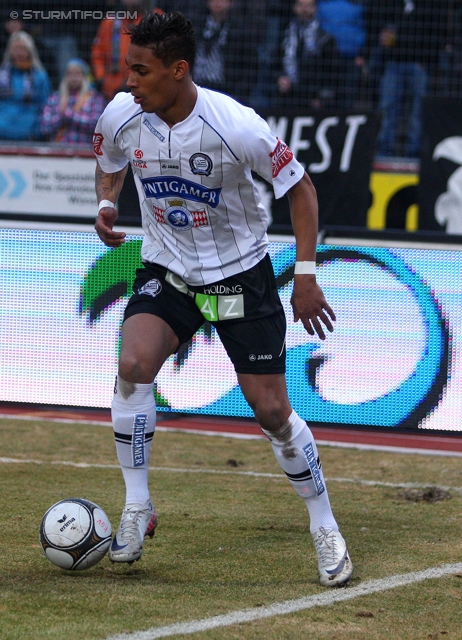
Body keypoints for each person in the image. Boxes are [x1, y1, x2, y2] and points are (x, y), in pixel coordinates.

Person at [93, 11, 353, 587]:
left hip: (239, 276)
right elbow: (108, 165)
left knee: (272, 412)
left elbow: (301, 188)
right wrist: (107, 206)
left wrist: (305, 274)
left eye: (141, 70)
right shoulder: (122, 115)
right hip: (168, 269)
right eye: (128, 69)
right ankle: (137, 505)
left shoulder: (236, 126)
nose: (129, 81)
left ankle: (324, 525)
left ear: (178, 69)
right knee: (133, 365)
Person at [372, 0, 448, 158]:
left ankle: (413, 153)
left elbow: (438, 32)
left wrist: (427, 62)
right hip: (393, 63)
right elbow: (381, 24)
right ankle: (384, 152)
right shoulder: (393, 4)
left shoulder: (432, 4)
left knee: (417, 112)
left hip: (419, 65)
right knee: (387, 109)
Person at [275, 0, 341, 111]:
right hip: (287, 96)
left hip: (314, 99)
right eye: (301, 5)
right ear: (294, 7)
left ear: (315, 8)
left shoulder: (325, 39)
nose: (304, 9)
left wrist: (321, 97)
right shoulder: (284, 36)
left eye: (309, 6)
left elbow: (332, 72)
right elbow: (274, 62)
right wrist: (279, 77)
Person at [192, 0, 260, 106]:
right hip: (196, 87)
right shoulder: (196, 25)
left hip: (225, 91)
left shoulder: (240, 29)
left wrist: (238, 95)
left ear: (231, 3)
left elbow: (250, 65)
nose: (217, 3)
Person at [40, 58, 106, 144]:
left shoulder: (94, 98)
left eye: (78, 73)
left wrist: (70, 116)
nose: (73, 77)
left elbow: (98, 125)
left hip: (85, 151)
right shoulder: (54, 98)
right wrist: (60, 119)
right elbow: (44, 127)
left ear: (84, 76)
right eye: (70, 73)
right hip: (58, 151)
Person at [0, 30, 50, 140]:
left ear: (30, 51)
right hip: (2, 133)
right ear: (10, 51)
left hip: (27, 135)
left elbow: (45, 106)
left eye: (23, 49)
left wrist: (36, 132)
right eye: (16, 49)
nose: (19, 53)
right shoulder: (1, 74)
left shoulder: (39, 76)